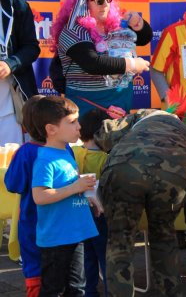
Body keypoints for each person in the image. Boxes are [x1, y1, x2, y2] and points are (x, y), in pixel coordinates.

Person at [94, 109, 186, 297]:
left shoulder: (143, 114)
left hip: (122, 168)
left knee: (120, 240)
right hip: (174, 174)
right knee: (164, 235)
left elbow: (103, 135)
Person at [51, 0, 151, 116]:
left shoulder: (114, 25)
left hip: (120, 109)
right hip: (88, 113)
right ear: (83, 3)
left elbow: (143, 38)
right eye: (99, 1)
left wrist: (139, 24)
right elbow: (92, 63)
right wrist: (133, 64)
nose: (105, 5)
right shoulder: (74, 30)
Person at [30, 96, 98, 296]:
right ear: (51, 129)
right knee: (54, 290)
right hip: (56, 239)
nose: (79, 126)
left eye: (77, 121)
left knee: (77, 288)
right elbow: (39, 196)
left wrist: (90, 197)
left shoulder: (67, 153)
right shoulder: (45, 159)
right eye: (72, 122)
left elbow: (71, 185)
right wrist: (74, 187)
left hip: (76, 233)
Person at [5, 96, 71, 297]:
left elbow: (13, 184)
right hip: (62, 223)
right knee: (65, 275)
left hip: (34, 223)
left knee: (35, 272)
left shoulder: (25, 152)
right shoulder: (65, 147)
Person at [0, 0, 40, 145]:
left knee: (9, 159)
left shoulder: (17, 5)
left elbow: (32, 47)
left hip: (9, 100)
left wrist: (10, 64)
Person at [72, 109, 110, 297]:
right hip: (102, 214)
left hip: (80, 213)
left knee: (87, 254)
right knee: (106, 256)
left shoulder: (74, 152)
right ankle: (111, 290)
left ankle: (90, 291)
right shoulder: (106, 158)